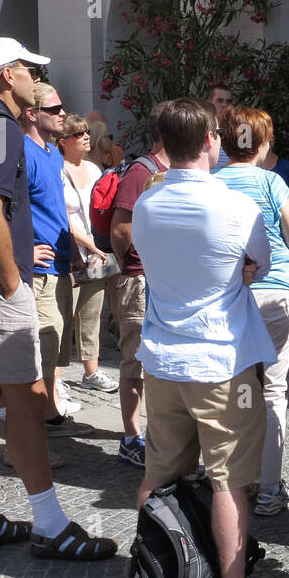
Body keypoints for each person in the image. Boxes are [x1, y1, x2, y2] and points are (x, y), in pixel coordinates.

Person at [0, 37, 115, 560]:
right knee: (27, 403)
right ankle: (51, 525)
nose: (35, 78)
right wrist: (13, 282)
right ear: (7, 74)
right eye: (28, 70)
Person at [131, 98, 283, 578]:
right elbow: (257, 265)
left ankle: (146, 576)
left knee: (159, 471)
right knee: (228, 480)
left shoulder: (146, 205)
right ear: (210, 141)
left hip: (163, 359)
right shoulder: (238, 209)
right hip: (221, 361)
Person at [217, 106, 289, 517]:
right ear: (263, 143)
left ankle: (239, 482)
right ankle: (269, 488)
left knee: (237, 391)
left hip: (230, 295)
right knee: (273, 391)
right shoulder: (272, 181)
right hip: (276, 293)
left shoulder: (211, 184)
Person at [19, 82, 90, 431]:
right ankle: (32, 416)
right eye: (55, 108)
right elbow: (3, 209)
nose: (63, 113)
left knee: (57, 343)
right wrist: (23, 249)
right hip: (40, 267)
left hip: (60, 262)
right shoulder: (23, 151)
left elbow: (54, 208)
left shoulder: (50, 152)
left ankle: (47, 409)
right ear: (32, 114)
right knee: (44, 342)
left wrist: (74, 250)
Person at [107, 103, 169, 468]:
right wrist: (134, 267)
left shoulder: (168, 169)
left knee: (155, 360)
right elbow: (120, 230)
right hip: (140, 279)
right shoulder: (141, 171)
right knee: (135, 359)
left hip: (159, 279)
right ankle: (131, 438)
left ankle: (155, 433)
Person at [56, 113, 117, 393]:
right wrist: (89, 244)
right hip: (70, 252)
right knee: (63, 315)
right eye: (78, 134)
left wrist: (100, 244)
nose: (85, 137)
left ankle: (91, 372)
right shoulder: (56, 169)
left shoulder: (94, 170)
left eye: (86, 132)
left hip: (94, 252)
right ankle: (55, 377)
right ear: (63, 141)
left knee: (92, 313)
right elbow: (60, 218)